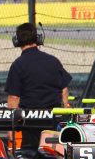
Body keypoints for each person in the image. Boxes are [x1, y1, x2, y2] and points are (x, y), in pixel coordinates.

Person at [5, 22, 71, 151]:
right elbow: (64, 91)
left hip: (30, 121)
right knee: (54, 154)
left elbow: (14, 98)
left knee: (29, 154)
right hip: (52, 119)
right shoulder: (53, 61)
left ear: (17, 41)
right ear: (38, 39)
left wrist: (11, 128)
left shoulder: (18, 65)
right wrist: (63, 115)